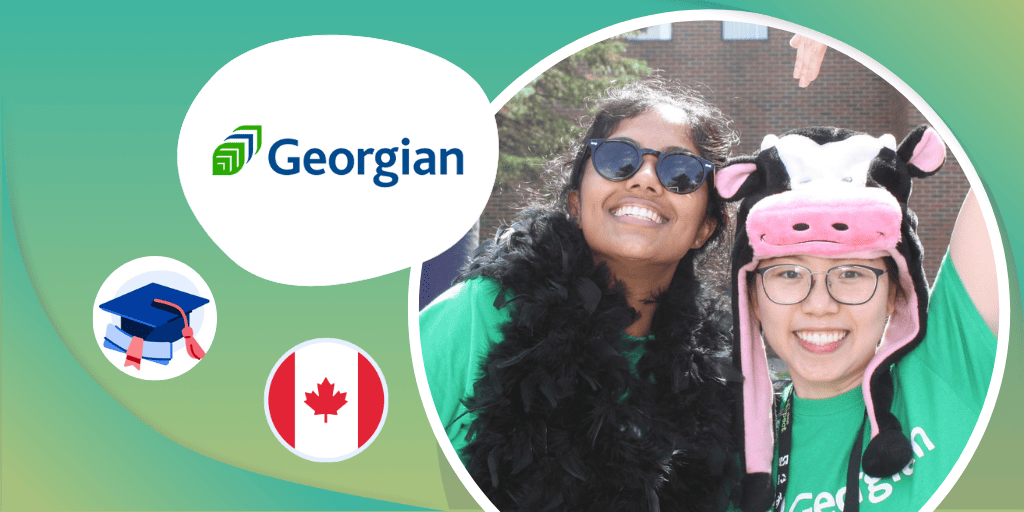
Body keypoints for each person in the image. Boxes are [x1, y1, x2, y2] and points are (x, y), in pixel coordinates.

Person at [420, 80, 740, 512]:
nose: (645, 179)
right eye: (618, 159)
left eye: (680, 171)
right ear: (576, 202)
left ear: (705, 227)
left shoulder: (724, 381)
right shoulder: (479, 313)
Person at [715, 126, 998, 512]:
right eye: (789, 274)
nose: (819, 305)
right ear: (752, 297)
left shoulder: (951, 368)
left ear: (895, 293)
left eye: (851, 273)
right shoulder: (724, 448)